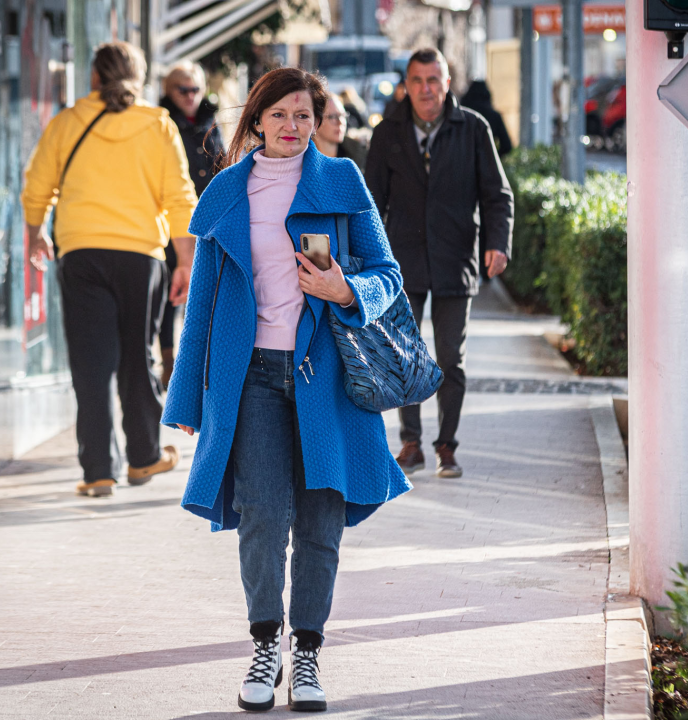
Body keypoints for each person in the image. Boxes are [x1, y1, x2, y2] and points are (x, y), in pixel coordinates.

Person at [162, 67, 411, 713]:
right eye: (280, 115)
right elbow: (204, 310)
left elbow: (388, 273)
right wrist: (187, 399)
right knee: (264, 519)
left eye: (304, 115)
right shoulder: (225, 193)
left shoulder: (341, 180)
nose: (292, 127)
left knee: (322, 522)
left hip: (326, 378)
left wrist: (348, 290)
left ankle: (307, 654)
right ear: (256, 119)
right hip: (250, 380)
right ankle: (264, 643)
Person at [22, 42, 197, 498]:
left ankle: (98, 469)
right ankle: (143, 456)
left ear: (95, 78)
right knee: (138, 356)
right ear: (138, 79)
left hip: (80, 251)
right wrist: (184, 260)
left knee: (90, 362)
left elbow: (37, 184)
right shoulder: (157, 125)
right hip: (141, 255)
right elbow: (179, 196)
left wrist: (35, 232)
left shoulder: (65, 122)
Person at [365, 48, 514, 478]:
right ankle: (410, 443)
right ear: (405, 85)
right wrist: (369, 260)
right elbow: (372, 203)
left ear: (447, 83)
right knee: (406, 354)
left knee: (450, 358)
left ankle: (447, 446)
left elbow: (497, 195)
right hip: (402, 261)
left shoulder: (473, 128)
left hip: (455, 257)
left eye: (434, 80)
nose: (426, 89)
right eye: (417, 80)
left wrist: (497, 243)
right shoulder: (388, 132)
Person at [159, 60, 225, 387]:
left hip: (206, 223)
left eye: (195, 89)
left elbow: (222, 166)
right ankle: (168, 364)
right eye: (182, 89)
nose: (190, 95)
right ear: (168, 91)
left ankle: (195, 364)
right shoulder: (161, 124)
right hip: (171, 222)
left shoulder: (211, 122)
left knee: (201, 296)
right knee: (169, 296)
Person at [313, 94, 368, 170]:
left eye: (343, 116)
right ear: (316, 122)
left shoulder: (358, 154)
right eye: (332, 117)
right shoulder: (301, 156)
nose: (340, 122)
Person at [460, 80, 513, 157]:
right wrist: (492, 157)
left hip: (464, 160)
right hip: (486, 162)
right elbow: (506, 146)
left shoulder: (462, 116)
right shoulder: (494, 116)